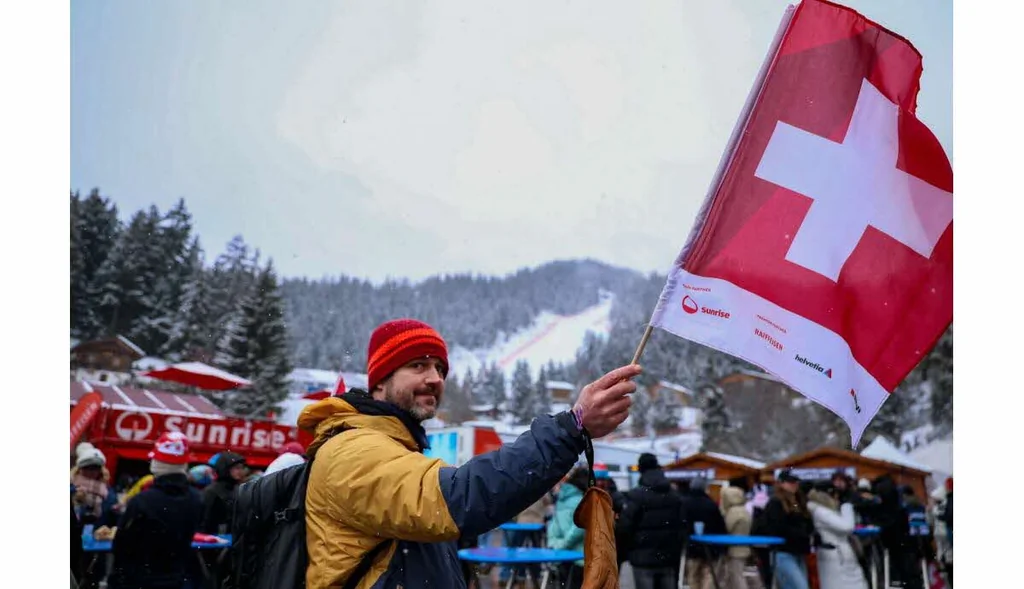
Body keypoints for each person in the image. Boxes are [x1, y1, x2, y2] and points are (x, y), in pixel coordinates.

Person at [299, 318, 642, 589]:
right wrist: (571, 428)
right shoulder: (353, 450)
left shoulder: (395, 449)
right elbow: (460, 499)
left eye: (440, 369)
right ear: (379, 381)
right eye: (418, 366)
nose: (435, 378)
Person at [108, 432, 204, 589]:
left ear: (155, 464)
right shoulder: (196, 498)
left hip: (139, 581)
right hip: (177, 579)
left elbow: (122, 545)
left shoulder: (142, 501)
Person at [616, 453, 685, 589]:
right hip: (668, 557)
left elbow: (625, 526)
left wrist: (627, 548)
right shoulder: (674, 495)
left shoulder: (636, 495)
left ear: (641, 469)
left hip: (642, 558)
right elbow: (682, 525)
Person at [806, 485, 868, 589]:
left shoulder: (819, 509)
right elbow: (847, 526)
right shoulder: (821, 511)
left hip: (835, 552)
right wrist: (847, 507)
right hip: (836, 553)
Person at [761, 470, 814, 589]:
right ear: (781, 483)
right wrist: (800, 533)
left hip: (799, 550)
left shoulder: (799, 501)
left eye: (796, 481)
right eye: (790, 482)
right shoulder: (775, 502)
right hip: (783, 551)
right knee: (800, 586)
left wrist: (810, 533)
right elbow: (777, 526)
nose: (794, 484)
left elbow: (806, 521)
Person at [720, 486, 754, 589]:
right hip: (743, 547)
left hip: (734, 549)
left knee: (736, 576)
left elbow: (726, 528)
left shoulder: (733, 512)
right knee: (734, 575)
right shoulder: (744, 510)